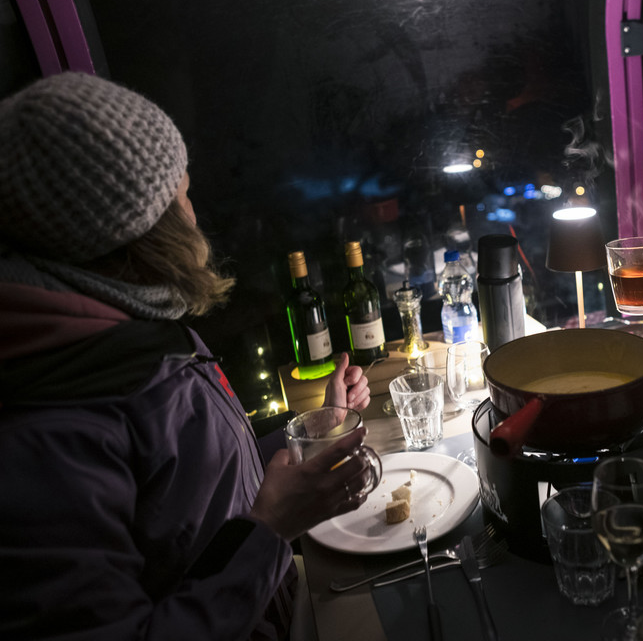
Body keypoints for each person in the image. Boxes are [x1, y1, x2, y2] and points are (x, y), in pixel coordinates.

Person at [0, 71, 372, 639]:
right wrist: (273, 531)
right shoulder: (44, 426)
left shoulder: (122, 322)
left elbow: (189, 487)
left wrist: (308, 432)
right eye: (182, 194)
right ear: (137, 229)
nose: (195, 214)